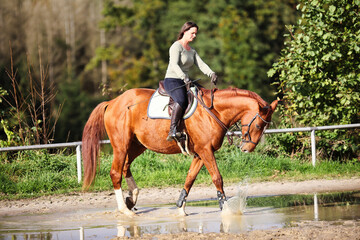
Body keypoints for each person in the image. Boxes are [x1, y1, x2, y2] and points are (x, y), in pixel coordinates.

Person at [164, 21, 218, 141]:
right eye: (192, 33)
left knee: (202, 95)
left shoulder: (191, 50)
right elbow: (174, 64)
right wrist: (184, 77)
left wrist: (211, 73)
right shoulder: (176, 46)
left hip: (185, 80)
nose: (194, 36)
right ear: (185, 31)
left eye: (195, 33)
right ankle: (172, 129)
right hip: (173, 80)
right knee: (182, 100)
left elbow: (201, 64)